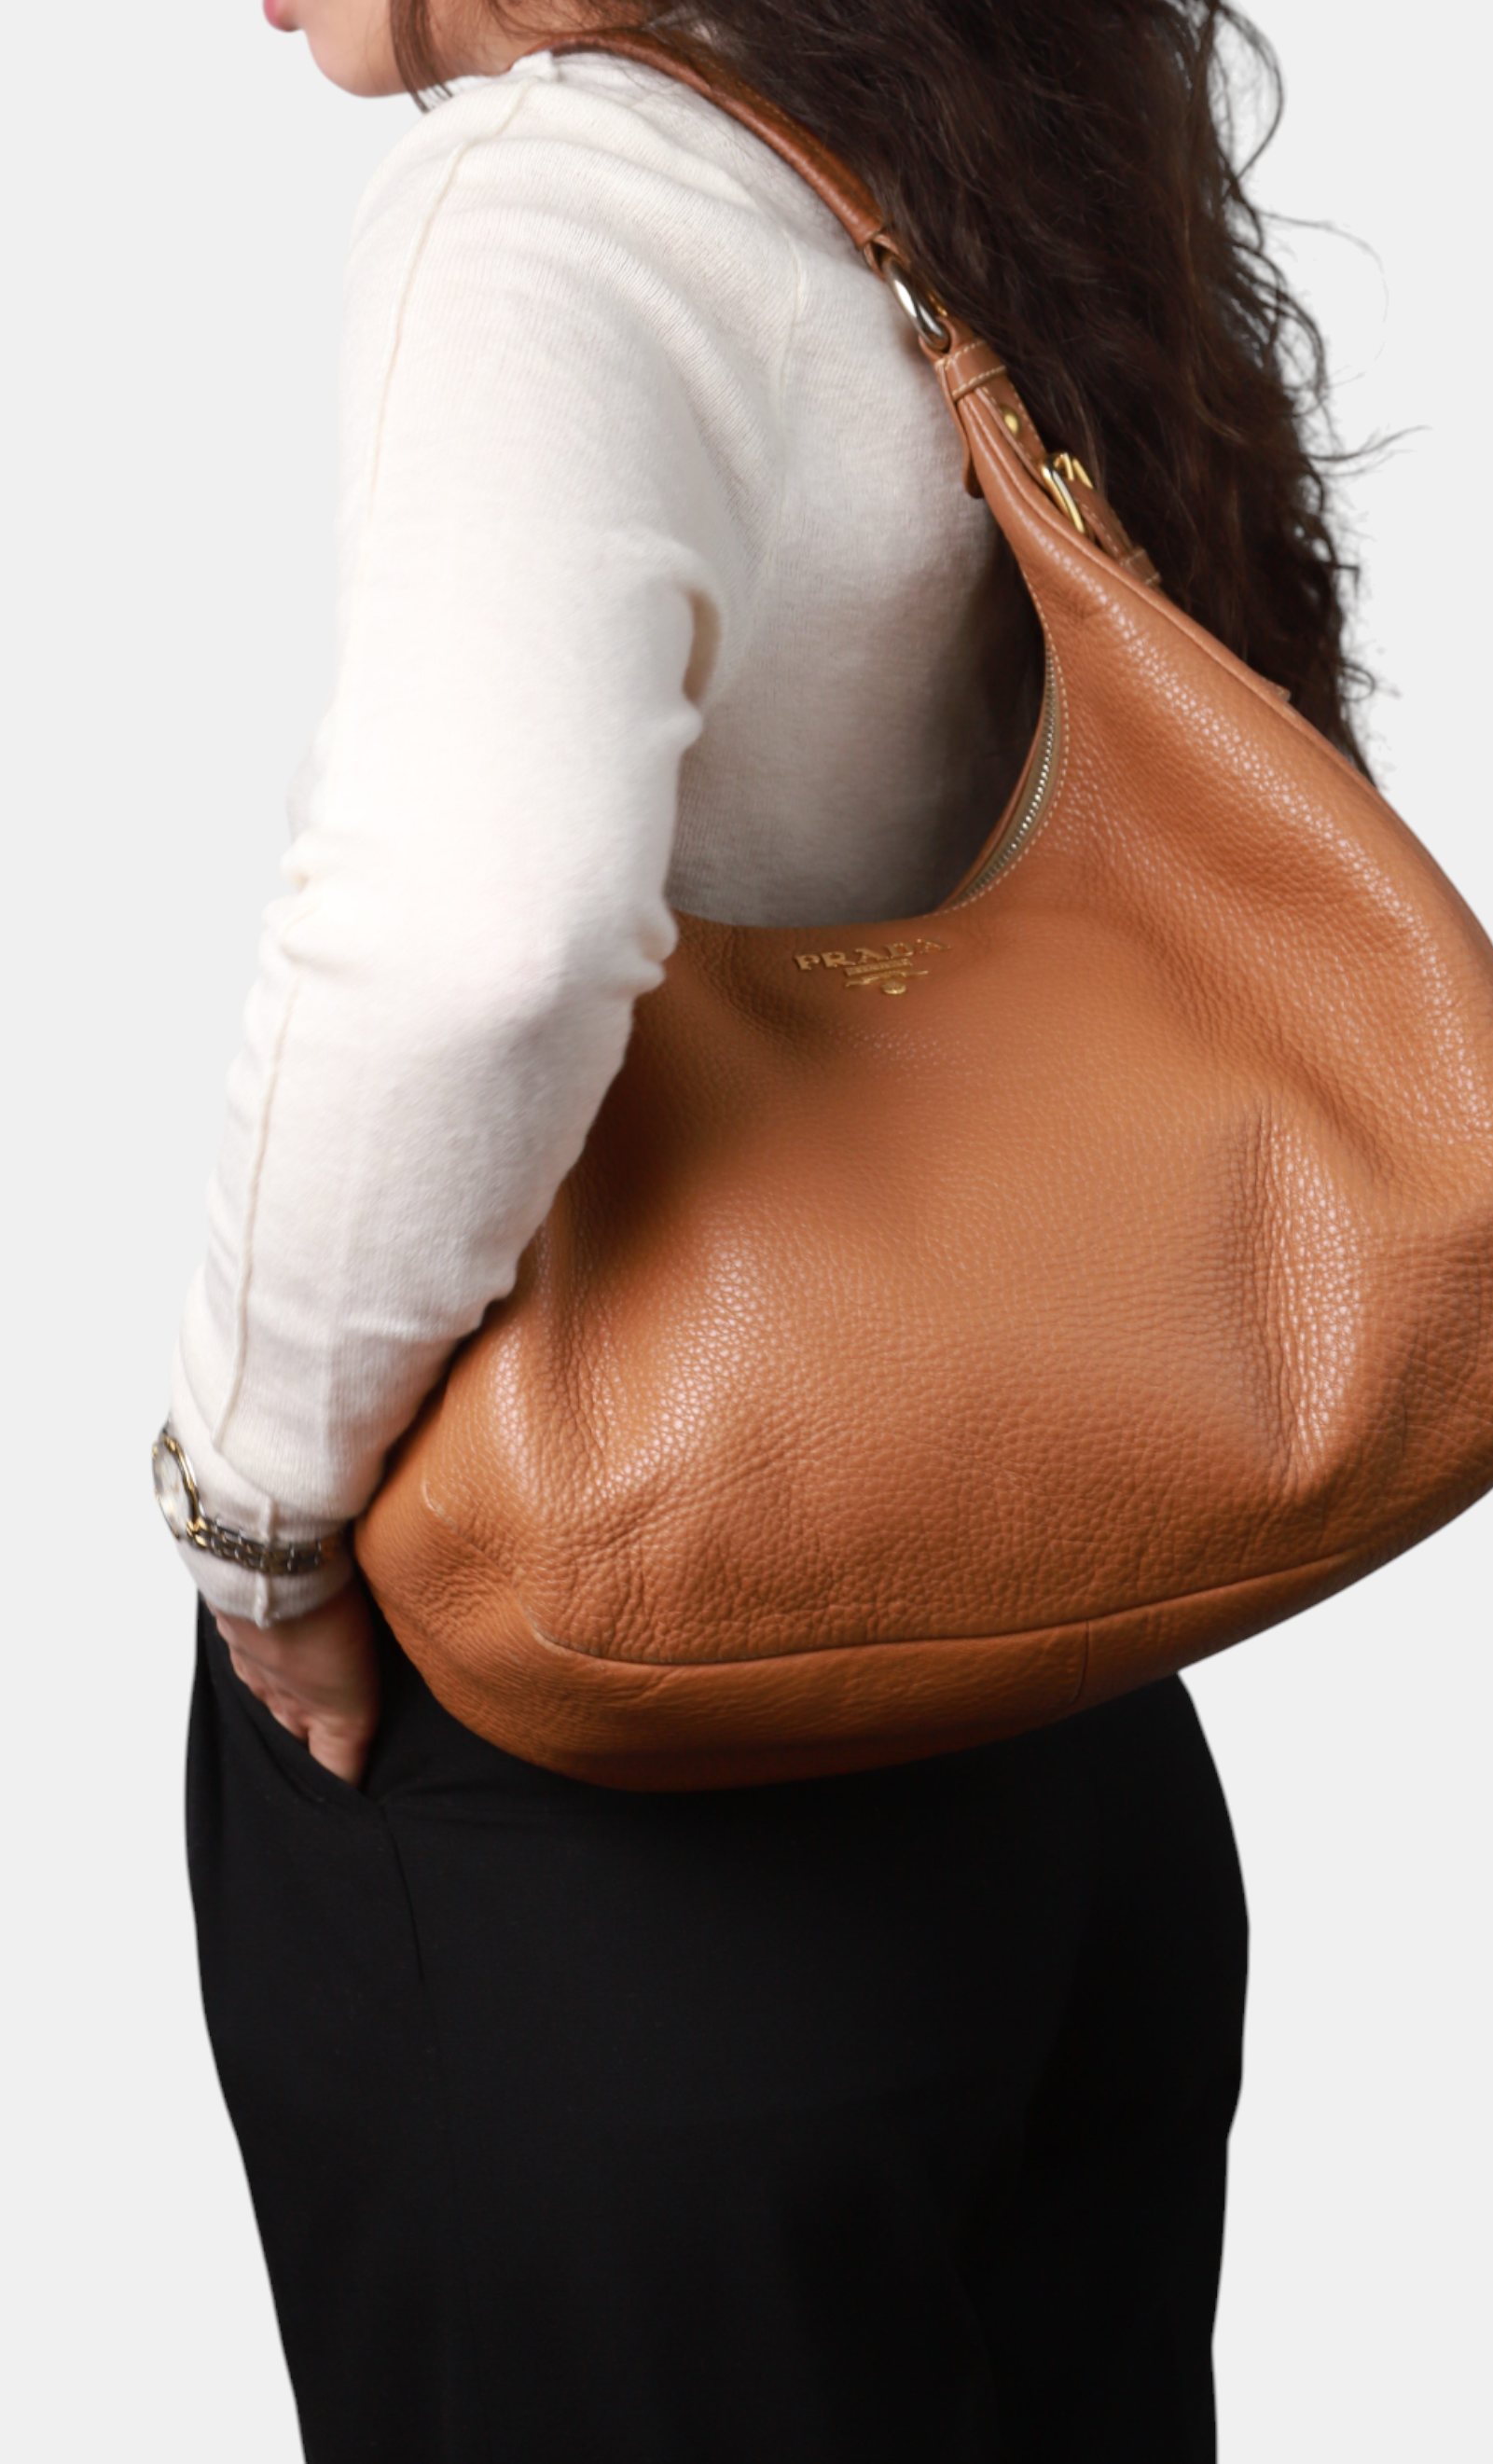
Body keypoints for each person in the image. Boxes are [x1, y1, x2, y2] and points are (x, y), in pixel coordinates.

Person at [165, 3, 1368, 2455]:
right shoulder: (977, 122)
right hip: (1060, 1709)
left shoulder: (554, 204)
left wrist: (258, 1507)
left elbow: (472, 937)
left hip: (614, 1772)